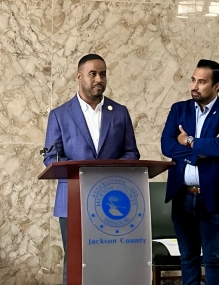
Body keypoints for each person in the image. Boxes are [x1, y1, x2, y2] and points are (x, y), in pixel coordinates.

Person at [42, 53, 140, 284]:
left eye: (103, 74)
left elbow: (132, 153)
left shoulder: (119, 112)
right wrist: (84, 169)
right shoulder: (59, 115)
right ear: (79, 77)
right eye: (93, 74)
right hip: (72, 200)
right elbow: (51, 158)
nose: (99, 79)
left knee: (111, 259)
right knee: (75, 259)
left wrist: (110, 169)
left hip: (112, 199)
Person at [161, 59, 219, 285]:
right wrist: (204, 149)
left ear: (217, 86)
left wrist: (189, 141)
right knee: (188, 258)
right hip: (182, 195)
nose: (194, 86)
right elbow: (167, 146)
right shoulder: (179, 109)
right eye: (193, 80)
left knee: (214, 258)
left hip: (213, 195)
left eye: (202, 82)